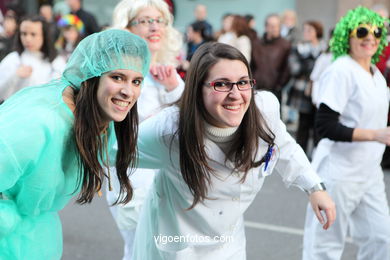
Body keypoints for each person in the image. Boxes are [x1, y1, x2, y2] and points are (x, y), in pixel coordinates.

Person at [120, 42, 336, 259]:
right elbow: (114, 151)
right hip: (177, 242)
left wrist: (314, 187)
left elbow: (285, 147)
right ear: (198, 88)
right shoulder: (169, 130)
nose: (235, 94)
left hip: (228, 240)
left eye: (243, 82)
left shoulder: (264, 110)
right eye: (222, 84)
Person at [0, 29, 150, 259]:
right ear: (91, 76)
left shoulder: (99, 119)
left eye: (136, 81)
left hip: (35, 238)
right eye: (117, 77)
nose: (128, 91)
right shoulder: (39, 122)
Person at [303, 6, 390, 260]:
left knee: (382, 238)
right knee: (325, 246)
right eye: (361, 30)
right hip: (338, 174)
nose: (370, 36)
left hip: (369, 173)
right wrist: (375, 134)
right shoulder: (340, 69)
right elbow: (325, 125)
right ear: (347, 36)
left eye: (376, 31)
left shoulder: (376, 74)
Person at [109, 0, 184, 259]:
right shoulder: (116, 72)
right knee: (141, 249)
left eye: (159, 20)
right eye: (145, 20)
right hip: (132, 178)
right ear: (127, 28)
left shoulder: (167, 72)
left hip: (170, 181)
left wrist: (175, 87)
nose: (155, 27)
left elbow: (191, 123)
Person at [0, 15, 66, 102]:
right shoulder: (13, 59)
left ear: (44, 35)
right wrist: (15, 76)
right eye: (24, 33)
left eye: (33, 34)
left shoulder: (56, 61)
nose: (27, 39)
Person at [287, 20, 324, 154]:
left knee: (317, 126)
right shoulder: (298, 48)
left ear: (317, 32)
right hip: (302, 91)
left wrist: (309, 65)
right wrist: (312, 64)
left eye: (310, 30)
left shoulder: (324, 49)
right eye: (305, 30)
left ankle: (316, 156)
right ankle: (300, 156)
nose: (306, 33)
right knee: (303, 125)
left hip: (320, 92)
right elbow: (294, 68)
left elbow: (326, 69)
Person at [250, 13, 291, 103]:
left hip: (275, 90)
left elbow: (287, 69)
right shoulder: (256, 43)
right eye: (271, 26)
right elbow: (252, 65)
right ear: (266, 27)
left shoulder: (285, 45)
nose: (274, 29)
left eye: (277, 26)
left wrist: (279, 86)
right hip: (257, 88)